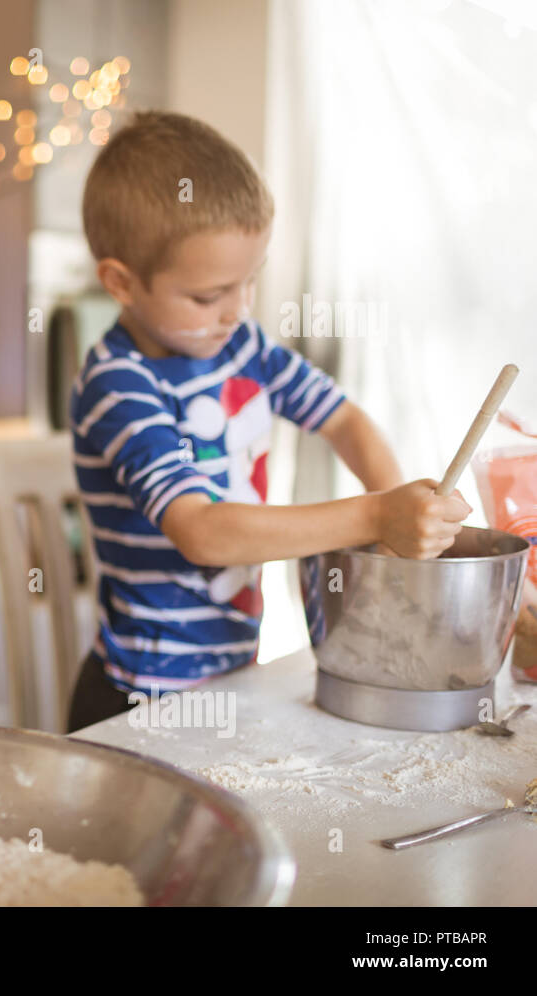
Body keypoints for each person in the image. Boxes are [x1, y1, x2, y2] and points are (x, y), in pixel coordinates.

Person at [67, 111, 469, 730]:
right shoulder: (118, 385)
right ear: (121, 282)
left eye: (248, 283)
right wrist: (373, 516)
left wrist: (393, 513)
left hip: (233, 674)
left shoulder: (242, 348)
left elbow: (343, 420)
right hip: (143, 702)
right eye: (208, 295)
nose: (236, 310)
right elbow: (201, 531)